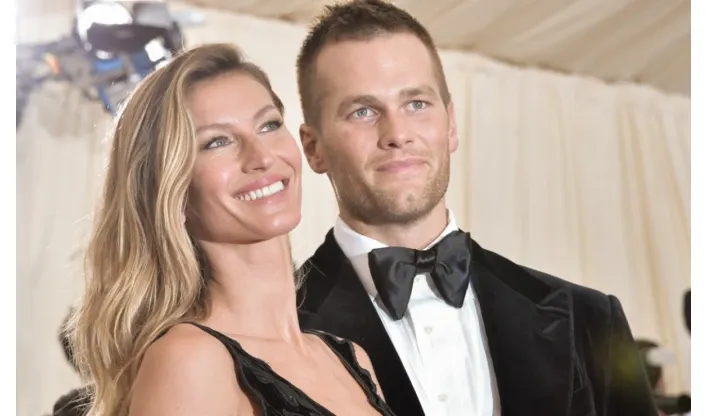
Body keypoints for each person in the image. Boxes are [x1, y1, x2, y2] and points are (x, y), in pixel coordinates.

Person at [293, 1, 658, 415]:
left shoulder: (589, 319)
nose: (397, 133)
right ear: (314, 148)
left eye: (416, 104)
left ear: (450, 124)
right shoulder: (270, 334)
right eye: (363, 111)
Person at [66, 43, 395, 416]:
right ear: (170, 189)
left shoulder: (350, 358)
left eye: (269, 125)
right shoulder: (189, 360)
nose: (262, 157)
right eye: (217, 142)